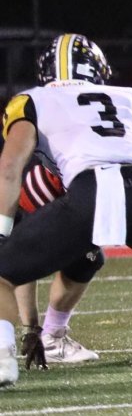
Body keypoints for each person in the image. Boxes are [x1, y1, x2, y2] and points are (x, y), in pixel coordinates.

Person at [0, 34, 132, 387]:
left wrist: (2, 228)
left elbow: (9, 167)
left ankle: (4, 362)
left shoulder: (32, 100)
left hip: (91, 185)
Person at [9, 151, 103, 367]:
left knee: (88, 256)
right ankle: (49, 338)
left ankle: (51, 336)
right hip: (38, 178)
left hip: (62, 172)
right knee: (85, 254)